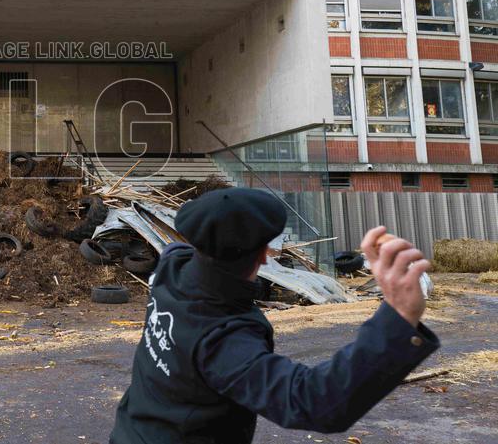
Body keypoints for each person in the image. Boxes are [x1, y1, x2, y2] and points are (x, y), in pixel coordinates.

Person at [110, 187, 439, 444]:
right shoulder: (223, 340)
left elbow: (184, 248)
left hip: (129, 433)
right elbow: (314, 401)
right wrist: (398, 318)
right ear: (266, 253)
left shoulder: (171, 266)